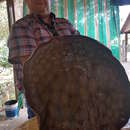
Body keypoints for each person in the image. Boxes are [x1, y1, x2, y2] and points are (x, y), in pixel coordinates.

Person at [7, 0, 79, 119]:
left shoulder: (65, 24)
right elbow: (34, 69)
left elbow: (83, 55)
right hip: (43, 103)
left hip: (77, 95)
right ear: (26, 2)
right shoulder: (21, 27)